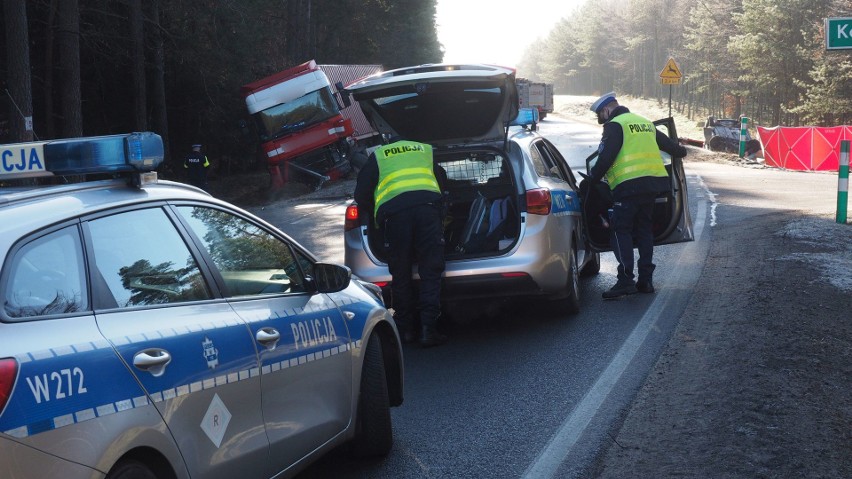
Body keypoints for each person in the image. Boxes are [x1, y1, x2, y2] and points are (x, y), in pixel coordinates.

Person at [588, 92, 687, 299]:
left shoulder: (615, 125)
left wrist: (591, 181)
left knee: (619, 229)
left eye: (601, 116)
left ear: (607, 110)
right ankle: (646, 281)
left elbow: (606, 157)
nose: (603, 120)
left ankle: (625, 281)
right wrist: (681, 149)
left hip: (628, 186)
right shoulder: (645, 123)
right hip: (653, 186)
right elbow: (675, 149)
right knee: (644, 230)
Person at [353, 135, 447, 348]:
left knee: (401, 272)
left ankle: (405, 331)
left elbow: (361, 194)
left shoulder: (379, 155)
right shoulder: (424, 149)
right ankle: (428, 330)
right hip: (427, 212)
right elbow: (441, 182)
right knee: (430, 270)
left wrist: (379, 212)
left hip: (395, 218)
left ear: (389, 143)